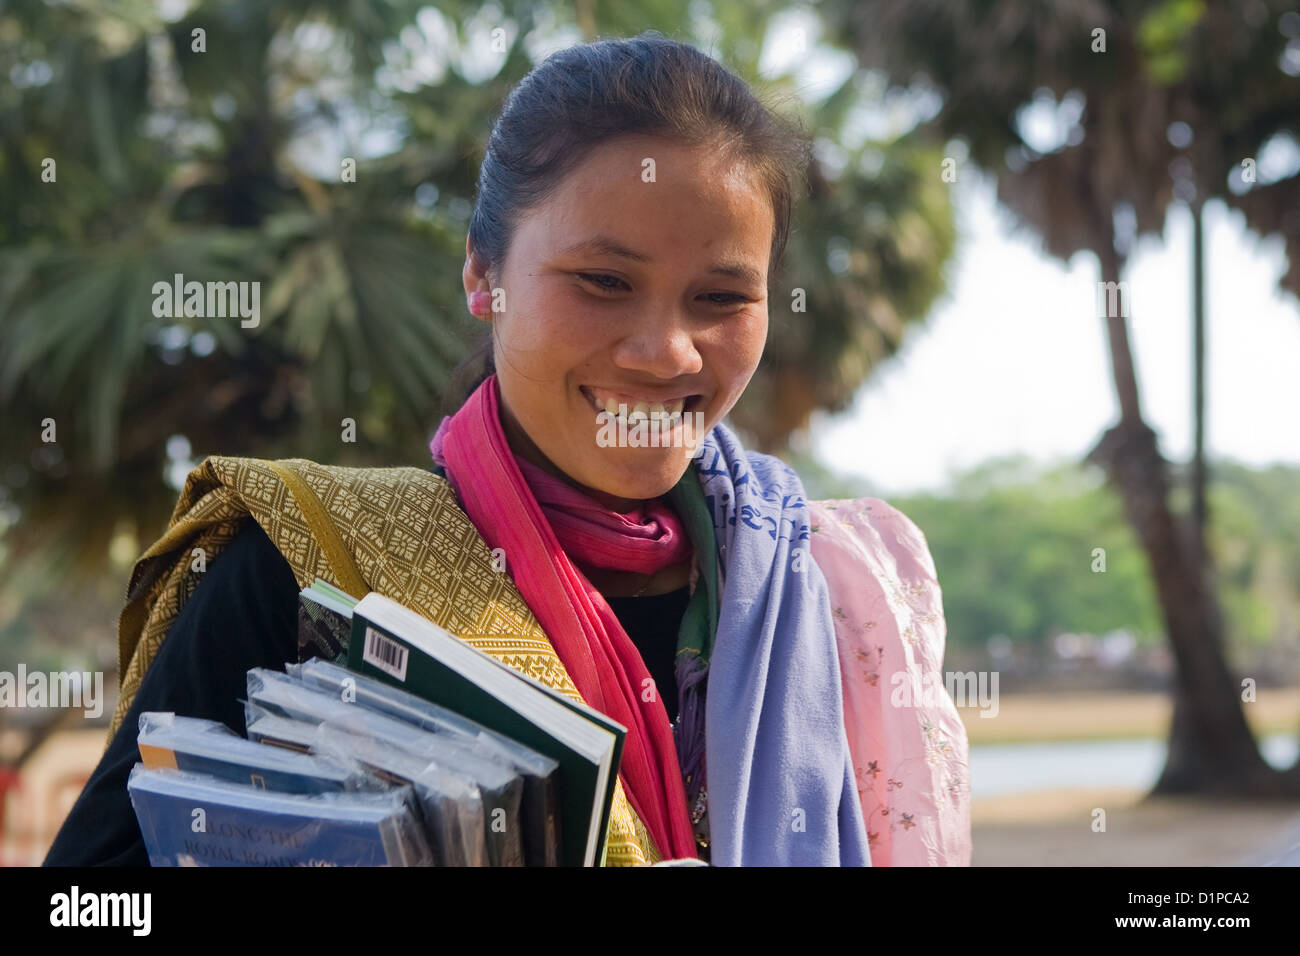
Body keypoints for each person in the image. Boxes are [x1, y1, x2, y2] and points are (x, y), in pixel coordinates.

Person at [45, 31, 969, 867]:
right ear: (484, 275)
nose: (666, 352)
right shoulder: (306, 573)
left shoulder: (843, 589)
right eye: (604, 281)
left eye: (722, 298)